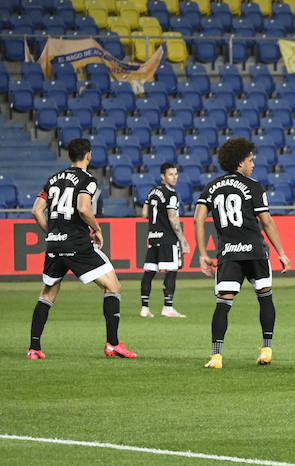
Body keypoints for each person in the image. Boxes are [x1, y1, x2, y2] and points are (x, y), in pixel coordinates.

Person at [27, 137, 136, 359]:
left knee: (47, 293)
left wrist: (52, 233)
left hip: (55, 244)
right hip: (77, 243)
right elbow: (84, 209)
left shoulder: (54, 179)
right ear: (88, 155)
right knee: (113, 287)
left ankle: (34, 348)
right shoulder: (88, 180)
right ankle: (113, 344)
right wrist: (97, 229)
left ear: (69, 156)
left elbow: (36, 211)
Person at [195, 137, 290, 369]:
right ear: (240, 163)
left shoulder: (211, 187)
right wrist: (281, 252)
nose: (253, 164)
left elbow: (198, 219)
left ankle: (216, 356)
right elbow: (266, 222)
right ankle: (266, 349)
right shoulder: (254, 186)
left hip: (229, 253)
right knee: (265, 296)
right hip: (255, 251)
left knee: (223, 303)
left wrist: (202, 253)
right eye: (250, 160)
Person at [139, 161, 190, 319]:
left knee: (149, 273)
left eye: (176, 174)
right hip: (168, 239)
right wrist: (183, 240)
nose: (174, 177)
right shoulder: (171, 194)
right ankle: (168, 308)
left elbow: (144, 213)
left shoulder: (152, 192)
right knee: (171, 271)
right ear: (163, 176)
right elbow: (173, 218)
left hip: (153, 237)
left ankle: (144, 308)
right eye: (170, 174)